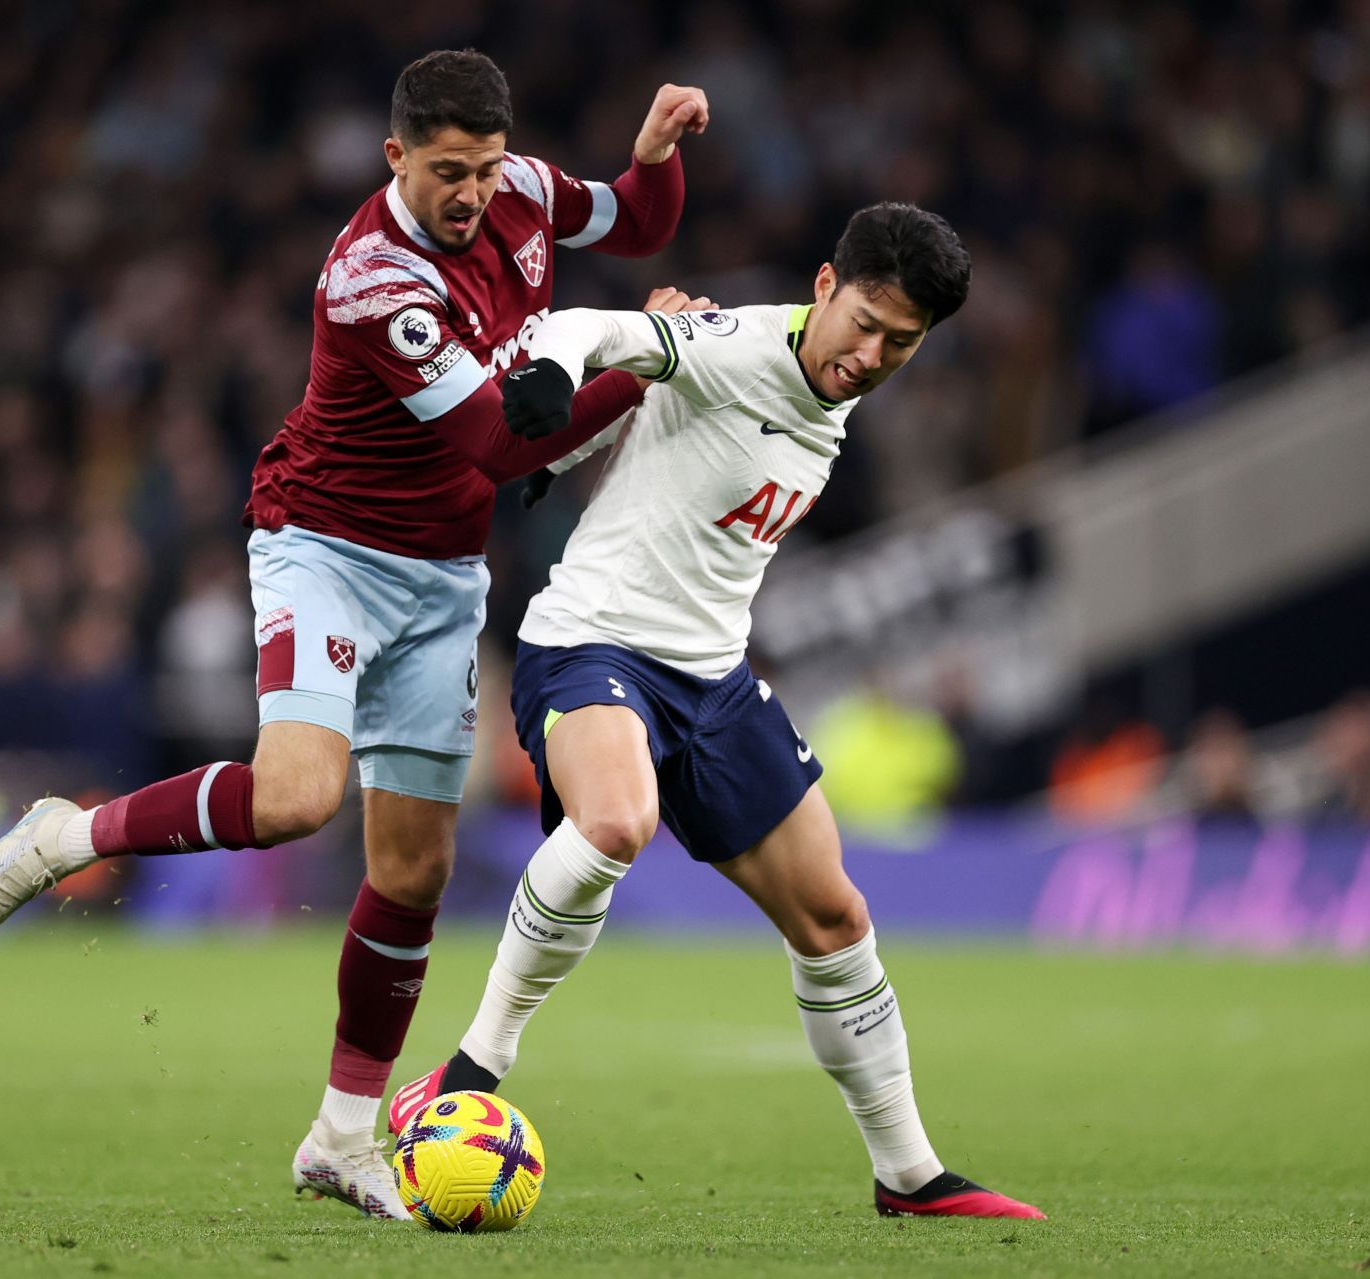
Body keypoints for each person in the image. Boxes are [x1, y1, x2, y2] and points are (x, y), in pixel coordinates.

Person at [0, 50, 709, 1219]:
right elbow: (501, 446)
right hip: (329, 549)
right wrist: (639, 363)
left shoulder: (521, 193)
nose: (471, 194)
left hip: (444, 575)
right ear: (396, 157)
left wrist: (655, 162)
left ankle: (344, 1137)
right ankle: (66, 836)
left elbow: (634, 223)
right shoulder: (369, 280)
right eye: (447, 171)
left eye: (486, 170)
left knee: (416, 867)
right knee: (298, 797)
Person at [387, 203, 1044, 1220]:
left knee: (835, 917)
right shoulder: (738, 344)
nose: (870, 354)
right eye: (861, 321)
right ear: (825, 286)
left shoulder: (839, 387)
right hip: (592, 644)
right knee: (615, 823)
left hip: (713, 677)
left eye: (900, 343)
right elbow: (600, 330)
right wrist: (555, 374)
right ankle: (469, 1070)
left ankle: (909, 1174)